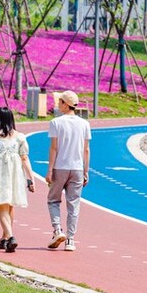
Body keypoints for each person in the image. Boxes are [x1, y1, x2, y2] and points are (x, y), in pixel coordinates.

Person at [0, 107, 35, 254]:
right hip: (16, 174)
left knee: (2, 206)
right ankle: (4, 238)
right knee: (10, 205)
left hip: (0, 174)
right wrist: (31, 177)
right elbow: (24, 157)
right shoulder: (19, 137)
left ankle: (10, 237)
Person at [45, 90, 91, 252]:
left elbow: (54, 148)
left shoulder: (56, 123)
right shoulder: (84, 124)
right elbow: (86, 149)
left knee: (53, 200)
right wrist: (86, 171)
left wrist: (49, 170)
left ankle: (57, 230)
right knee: (73, 204)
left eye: (60, 102)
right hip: (77, 168)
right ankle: (70, 239)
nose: (58, 104)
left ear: (65, 104)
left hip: (60, 167)